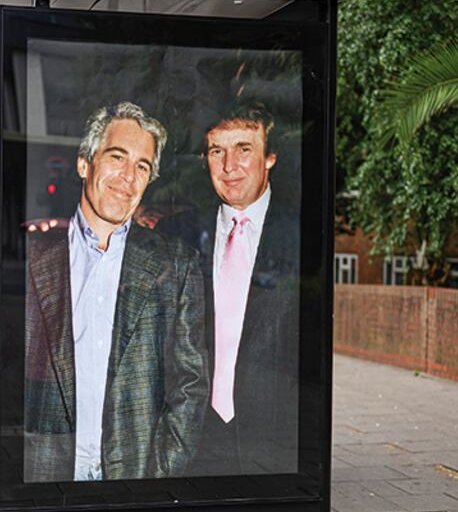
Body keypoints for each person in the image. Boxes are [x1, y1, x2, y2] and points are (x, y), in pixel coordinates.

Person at [24, 101, 208, 482]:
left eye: (142, 166)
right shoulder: (33, 259)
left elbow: (190, 383)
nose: (128, 177)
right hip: (48, 474)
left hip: (135, 477)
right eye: (117, 157)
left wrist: (161, 471)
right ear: (84, 163)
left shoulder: (177, 264)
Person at [161, 104, 300, 476]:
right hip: (191, 437)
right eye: (216, 151)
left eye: (243, 149)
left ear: (270, 157)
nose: (228, 166)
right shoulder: (177, 235)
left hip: (272, 438)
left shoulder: (300, 238)